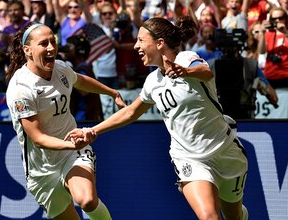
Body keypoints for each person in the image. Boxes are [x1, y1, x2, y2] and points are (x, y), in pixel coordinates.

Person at [67, 16, 249, 220]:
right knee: (209, 217)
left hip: (225, 152)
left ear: (159, 43)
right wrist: (91, 130)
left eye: (141, 40)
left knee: (234, 216)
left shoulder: (186, 58)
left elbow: (205, 72)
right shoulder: (152, 81)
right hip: (189, 158)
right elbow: (130, 112)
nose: (136, 46)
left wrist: (185, 71)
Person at [5, 22, 126, 220]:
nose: (51, 47)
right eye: (44, 43)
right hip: (41, 170)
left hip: (72, 153)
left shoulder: (60, 68)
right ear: (27, 50)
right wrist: (70, 143)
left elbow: (79, 79)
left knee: (86, 199)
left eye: (53, 41)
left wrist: (111, 92)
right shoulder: (21, 89)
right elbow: (38, 138)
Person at [62, 34, 104, 121]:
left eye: (69, 46)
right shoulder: (78, 68)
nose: (65, 49)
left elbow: (84, 91)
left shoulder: (83, 68)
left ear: (79, 50)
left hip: (83, 117)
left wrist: (68, 71)